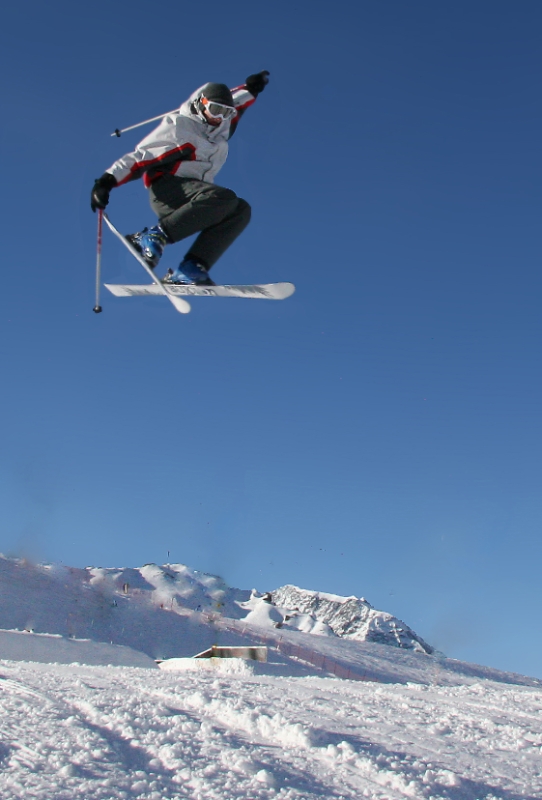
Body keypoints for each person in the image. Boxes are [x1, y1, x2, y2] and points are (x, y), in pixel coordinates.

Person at [91, 71, 269, 286]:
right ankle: (151, 236)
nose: (219, 117)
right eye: (215, 110)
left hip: (195, 198)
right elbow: (140, 158)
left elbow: (237, 104)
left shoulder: (222, 125)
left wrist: (252, 89)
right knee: (224, 197)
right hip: (168, 190)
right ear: (200, 104)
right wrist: (107, 181)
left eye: (225, 112)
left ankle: (191, 268)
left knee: (240, 210)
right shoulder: (180, 128)